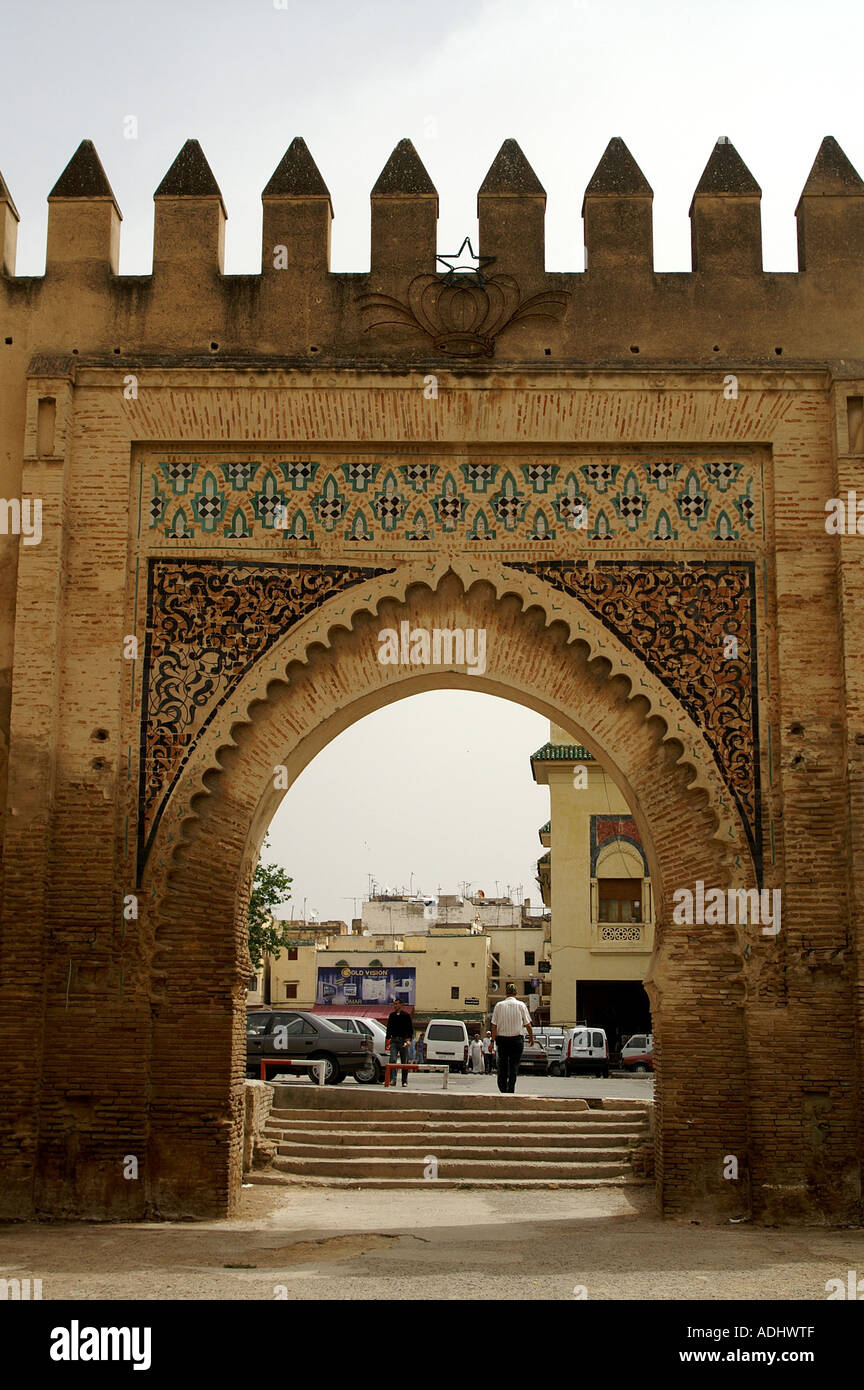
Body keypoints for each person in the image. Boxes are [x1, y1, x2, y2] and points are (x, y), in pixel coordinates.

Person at [490, 983, 534, 1094]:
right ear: (516, 993)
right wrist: (531, 1038)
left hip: (502, 1040)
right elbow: (528, 1025)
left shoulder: (499, 1005)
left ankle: (503, 1088)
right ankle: (511, 1089)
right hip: (516, 1041)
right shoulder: (521, 1005)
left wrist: (492, 1041)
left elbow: (494, 1025)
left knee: (502, 1065)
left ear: (506, 993)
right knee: (514, 1066)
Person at [384, 998, 413, 1087]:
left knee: (404, 1061)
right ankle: (393, 1079)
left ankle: (404, 1081)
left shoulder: (406, 1016)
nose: (395, 1006)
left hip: (403, 1040)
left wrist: (408, 1040)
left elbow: (410, 1029)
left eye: (396, 1004)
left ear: (401, 1005)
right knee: (392, 1060)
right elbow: (388, 1029)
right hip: (394, 1041)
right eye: (394, 1004)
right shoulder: (392, 1016)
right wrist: (387, 1040)